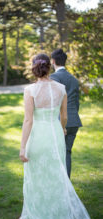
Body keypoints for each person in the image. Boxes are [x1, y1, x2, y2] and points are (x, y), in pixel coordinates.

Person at [18, 54, 92, 219]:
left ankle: (39, 214)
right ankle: (57, 213)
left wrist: (22, 147)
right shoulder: (61, 88)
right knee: (57, 175)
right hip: (55, 134)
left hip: (38, 136)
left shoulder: (30, 90)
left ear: (34, 68)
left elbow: (28, 121)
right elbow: (63, 116)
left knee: (36, 177)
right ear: (49, 67)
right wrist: (63, 128)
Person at [50, 48, 82, 178]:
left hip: (59, 121)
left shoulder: (53, 78)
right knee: (67, 152)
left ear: (53, 61)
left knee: (56, 153)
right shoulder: (74, 79)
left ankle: (59, 183)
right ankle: (66, 183)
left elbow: (52, 101)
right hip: (74, 121)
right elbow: (76, 103)